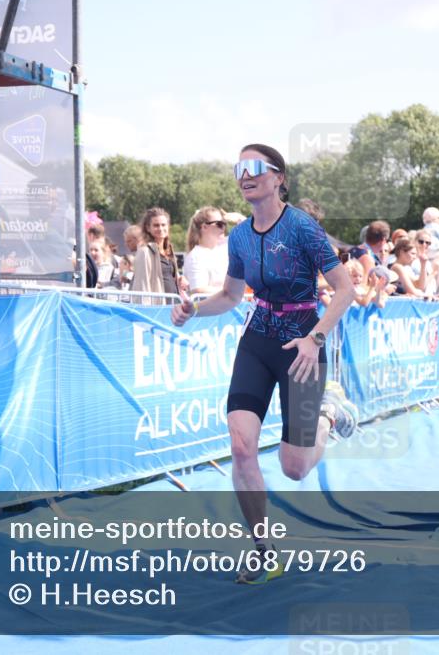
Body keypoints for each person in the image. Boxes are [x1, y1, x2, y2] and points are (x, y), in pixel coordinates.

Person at [170, 144, 355, 585]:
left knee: (294, 467)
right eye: (239, 168)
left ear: (278, 178)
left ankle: (330, 413)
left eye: (254, 167)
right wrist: (195, 308)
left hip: (302, 346)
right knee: (240, 445)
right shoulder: (237, 238)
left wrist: (315, 339)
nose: (244, 175)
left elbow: (345, 290)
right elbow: (232, 297)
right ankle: (263, 550)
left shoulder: (303, 229)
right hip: (256, 340)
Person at [132, 207, 180, 298]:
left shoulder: (169, 250)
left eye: (163, 225)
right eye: (156, 225)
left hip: (173, 305)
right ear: (148, 228)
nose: (160, 228)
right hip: (157, 308)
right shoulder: (144, 252)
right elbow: (142, 285)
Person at [183, 206, 229, 295]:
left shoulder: (224, 248)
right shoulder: (196, 256)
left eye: (224, 224)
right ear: (204, 227)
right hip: (211, 308)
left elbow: (254, 239)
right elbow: (198, 289)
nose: (223, 228)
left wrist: (240, 219)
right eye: (219, 224)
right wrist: (231, 293)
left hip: (233, 307)